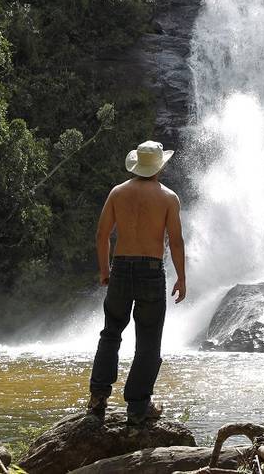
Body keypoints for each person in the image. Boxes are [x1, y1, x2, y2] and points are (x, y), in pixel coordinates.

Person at [86, 140, 187, 425]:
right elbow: (176, 242)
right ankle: (138, 406)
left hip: (121, 267)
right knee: (148, 339)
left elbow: (102, 235)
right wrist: (181, 276)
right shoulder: (169, 197)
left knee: (111, 332)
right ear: (159, 167)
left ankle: (97, 398)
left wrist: (105, 269)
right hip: (151, 270)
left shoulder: (118, 192)